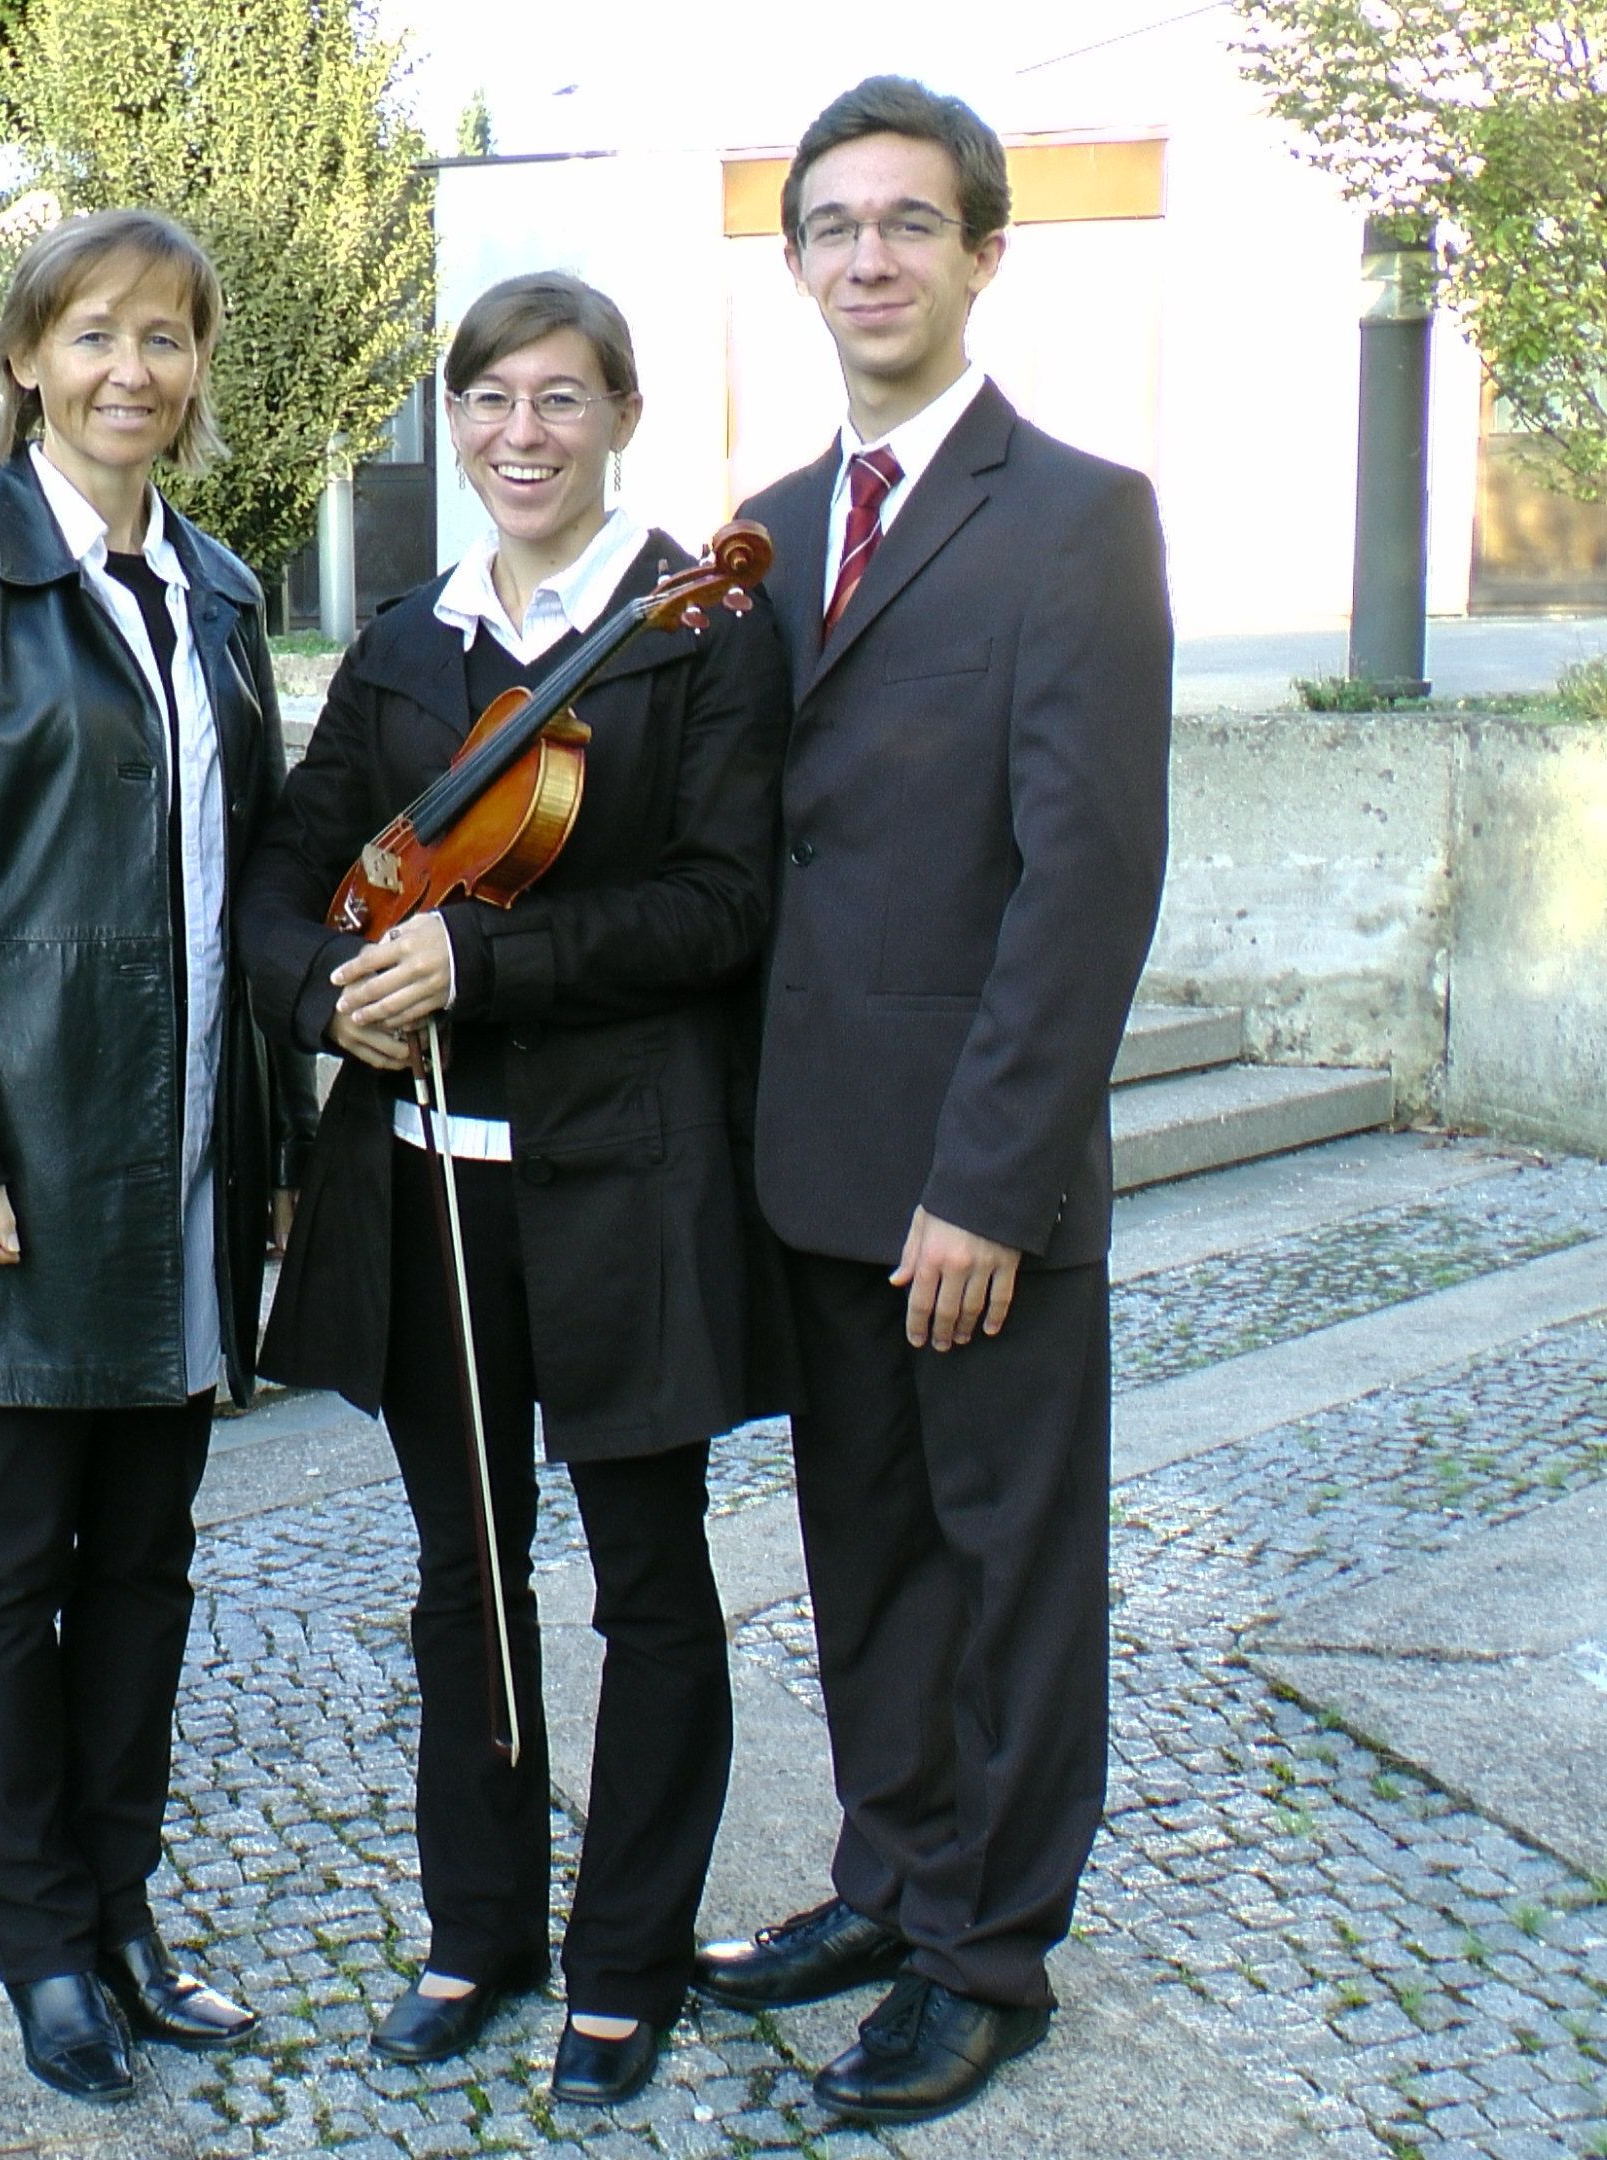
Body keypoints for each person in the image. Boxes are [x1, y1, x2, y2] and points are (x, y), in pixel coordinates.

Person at [240, 272, 789, 2105]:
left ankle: (626, 1961)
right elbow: (293, 870)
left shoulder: (693, 629)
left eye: (563, 400)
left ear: (621, 415)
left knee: (648, 1578)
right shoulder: (407, 640)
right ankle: (480, 1934)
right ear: (456, 420)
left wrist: (486, 969)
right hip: (430, 1185)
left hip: (626, 1181)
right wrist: (334, 998)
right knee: (462, 1578)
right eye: (490, 400)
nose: (523, 435)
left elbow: (726, 903)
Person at [691, 76, 1172, 2128]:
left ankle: (991, 1955)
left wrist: (993, 1179)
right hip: (814, 1172)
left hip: (978, 1186)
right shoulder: (767, 533)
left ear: (985, 252)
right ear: (795, 258)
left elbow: (1088, 879)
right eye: (834, 225)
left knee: (1007, 1578)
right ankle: (890, 1878)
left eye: (910, 222)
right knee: (867, 1563)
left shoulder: (1079, 514)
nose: (869, 256)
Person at [0, 207, 292, 2105]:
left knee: (152, 1561)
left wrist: (273, 1133)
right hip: (5, 1167)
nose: (132, 371)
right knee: (8, 1564)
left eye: (166, 339)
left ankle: (121, 1897)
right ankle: (39, 1935)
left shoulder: (231, 592)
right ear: (25, 358)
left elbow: (249, 875)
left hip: (180, 1160)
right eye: (94, 334)